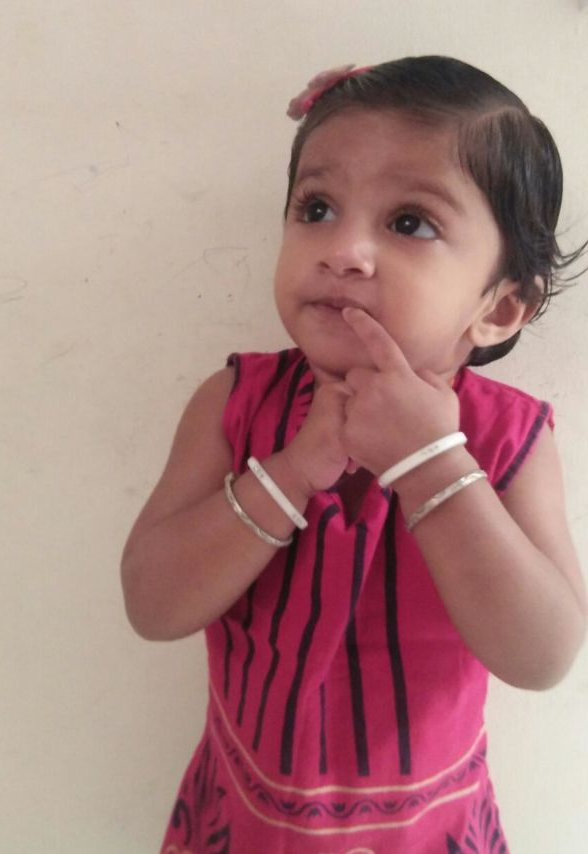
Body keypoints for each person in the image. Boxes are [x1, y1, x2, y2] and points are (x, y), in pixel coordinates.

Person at [121, 56, 587, 854]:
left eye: (409, 223)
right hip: (247, 819)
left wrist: (433, 462)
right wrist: (292, 472)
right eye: (317, 208)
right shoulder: (233, 404)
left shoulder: (510, 439)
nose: (343, 250)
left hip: (425, 828)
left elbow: (542, 656)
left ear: (500, 307)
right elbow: (152, 604)